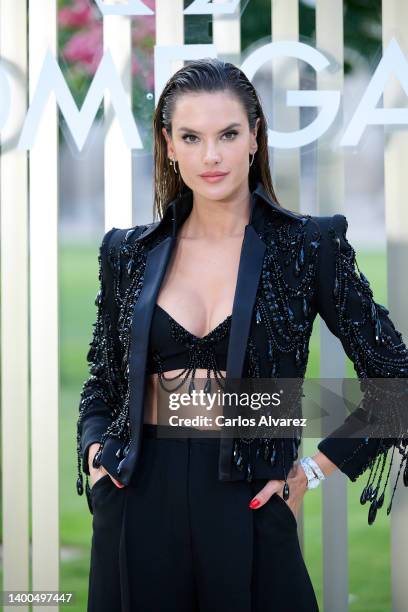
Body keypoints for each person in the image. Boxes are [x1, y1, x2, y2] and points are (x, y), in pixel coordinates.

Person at [76, 58, 408, 612]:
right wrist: (95, 453)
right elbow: (103, 383)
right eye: (192, 136)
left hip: (250, 499)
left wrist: (311, 471)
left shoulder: (308, 247)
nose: (211, 156)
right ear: (168, 144)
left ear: (255, 136)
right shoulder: (127, 253)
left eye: (228, 134)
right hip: (137, 495)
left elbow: (395, 383)